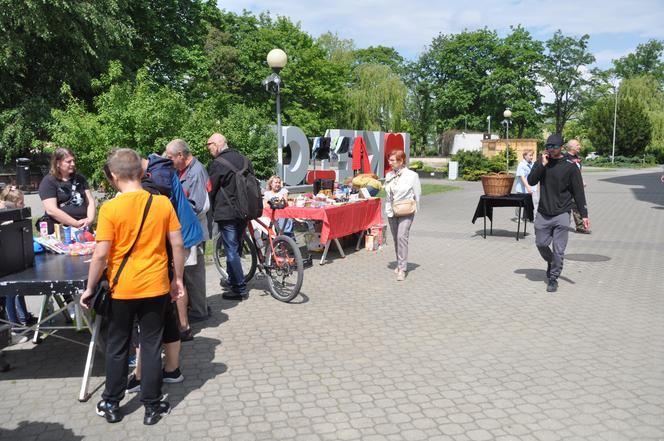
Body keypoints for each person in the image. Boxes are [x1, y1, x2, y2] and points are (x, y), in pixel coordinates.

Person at [79, 148, 185, 425]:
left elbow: (101, 254)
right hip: (156, 287)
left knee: (117, 346)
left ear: (114, 176)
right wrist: (178, 280)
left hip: (121, 288)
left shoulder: (111, 208)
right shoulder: (162, 204)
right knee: (151, 346)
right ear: (141, 171)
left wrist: (90, 288)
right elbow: (177, 244)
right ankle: (152, 405)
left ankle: (111, 402)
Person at [528, 134, 590, 293]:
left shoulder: (570, 166)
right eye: (548, 146)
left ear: (561, 147)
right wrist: (542, 165)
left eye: (554, 147)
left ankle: (553, 278)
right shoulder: (542, 162)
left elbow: (578, 192)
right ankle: (551, 262)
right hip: (543, 212)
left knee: (558, 250)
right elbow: (531, 181)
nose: (550, 149)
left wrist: (584, 215)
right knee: (541, 244)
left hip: (562, 213)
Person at [164, 139, 211, 322]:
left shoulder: (196, 172)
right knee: (191, 271)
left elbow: (196, 205)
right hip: (190, 229)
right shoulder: (185, 170)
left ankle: (199, 310)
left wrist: (174, 217)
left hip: (192, 230)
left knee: (193, 272)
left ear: (181, 155)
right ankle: (198, 307)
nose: (169, 161)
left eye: (170, 157)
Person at [207, 133, 254, 300]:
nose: (208, 148)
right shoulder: (244, 160)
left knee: (231, 250)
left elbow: (210, 189)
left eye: (209, 145)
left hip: (226, 213)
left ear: (218, 144)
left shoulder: (217, 164)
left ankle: (239, 289)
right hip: (244, 210)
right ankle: (233, 279)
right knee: (237, 247)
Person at [0, 186, 37, 330]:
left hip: (14, 262)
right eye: (21, 203)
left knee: (17, 291)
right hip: (7, 264)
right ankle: (14, 327)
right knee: (9, 294)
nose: (24, 205)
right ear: (13, 204)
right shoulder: (6, 220)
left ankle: (23, 317)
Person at [38, 148, 96, 234]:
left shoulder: (80, 179)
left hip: (84, 228)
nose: (73, 164)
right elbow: (51, 210)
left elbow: (90, 201)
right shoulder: (49, 181)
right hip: (62, 230)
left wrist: (90, 219)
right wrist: (75, 223)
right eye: (68, 162)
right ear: (58, 163)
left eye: (73, 161)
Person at [384, 150, 421, 282]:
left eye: (393, 160)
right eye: (390, 160)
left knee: (401, 237)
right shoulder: (389, 175)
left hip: (406, 210)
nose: (390, 162)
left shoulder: (412, 176)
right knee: (395, 238)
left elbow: (418, 194)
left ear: (401, 161)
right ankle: (399, 263)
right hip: (392, 211)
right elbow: (387, 193)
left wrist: (415, 208)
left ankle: (402, 269)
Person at [564, 139, 590, 234]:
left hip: (576, 188)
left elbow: (578, 172)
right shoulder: (565, 158)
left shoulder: (577, 157)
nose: (580, 146)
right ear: (571, 147)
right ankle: (562, 225)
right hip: (567, 189)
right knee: (566, 208)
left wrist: (581, 181)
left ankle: (580, 226)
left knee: (578, 206)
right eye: (577, 145)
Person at [514, 149, 537, 218]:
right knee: (519, 204)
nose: (531, 157)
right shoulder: (521, 165)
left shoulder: (532, 164)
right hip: (522, 189)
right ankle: (517, 217)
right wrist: (527, 187)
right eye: (530, 155)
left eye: (532, 155)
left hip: (529, 188)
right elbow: (522, 177)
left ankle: (527, 217)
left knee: (528, 203)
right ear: (524, 156)